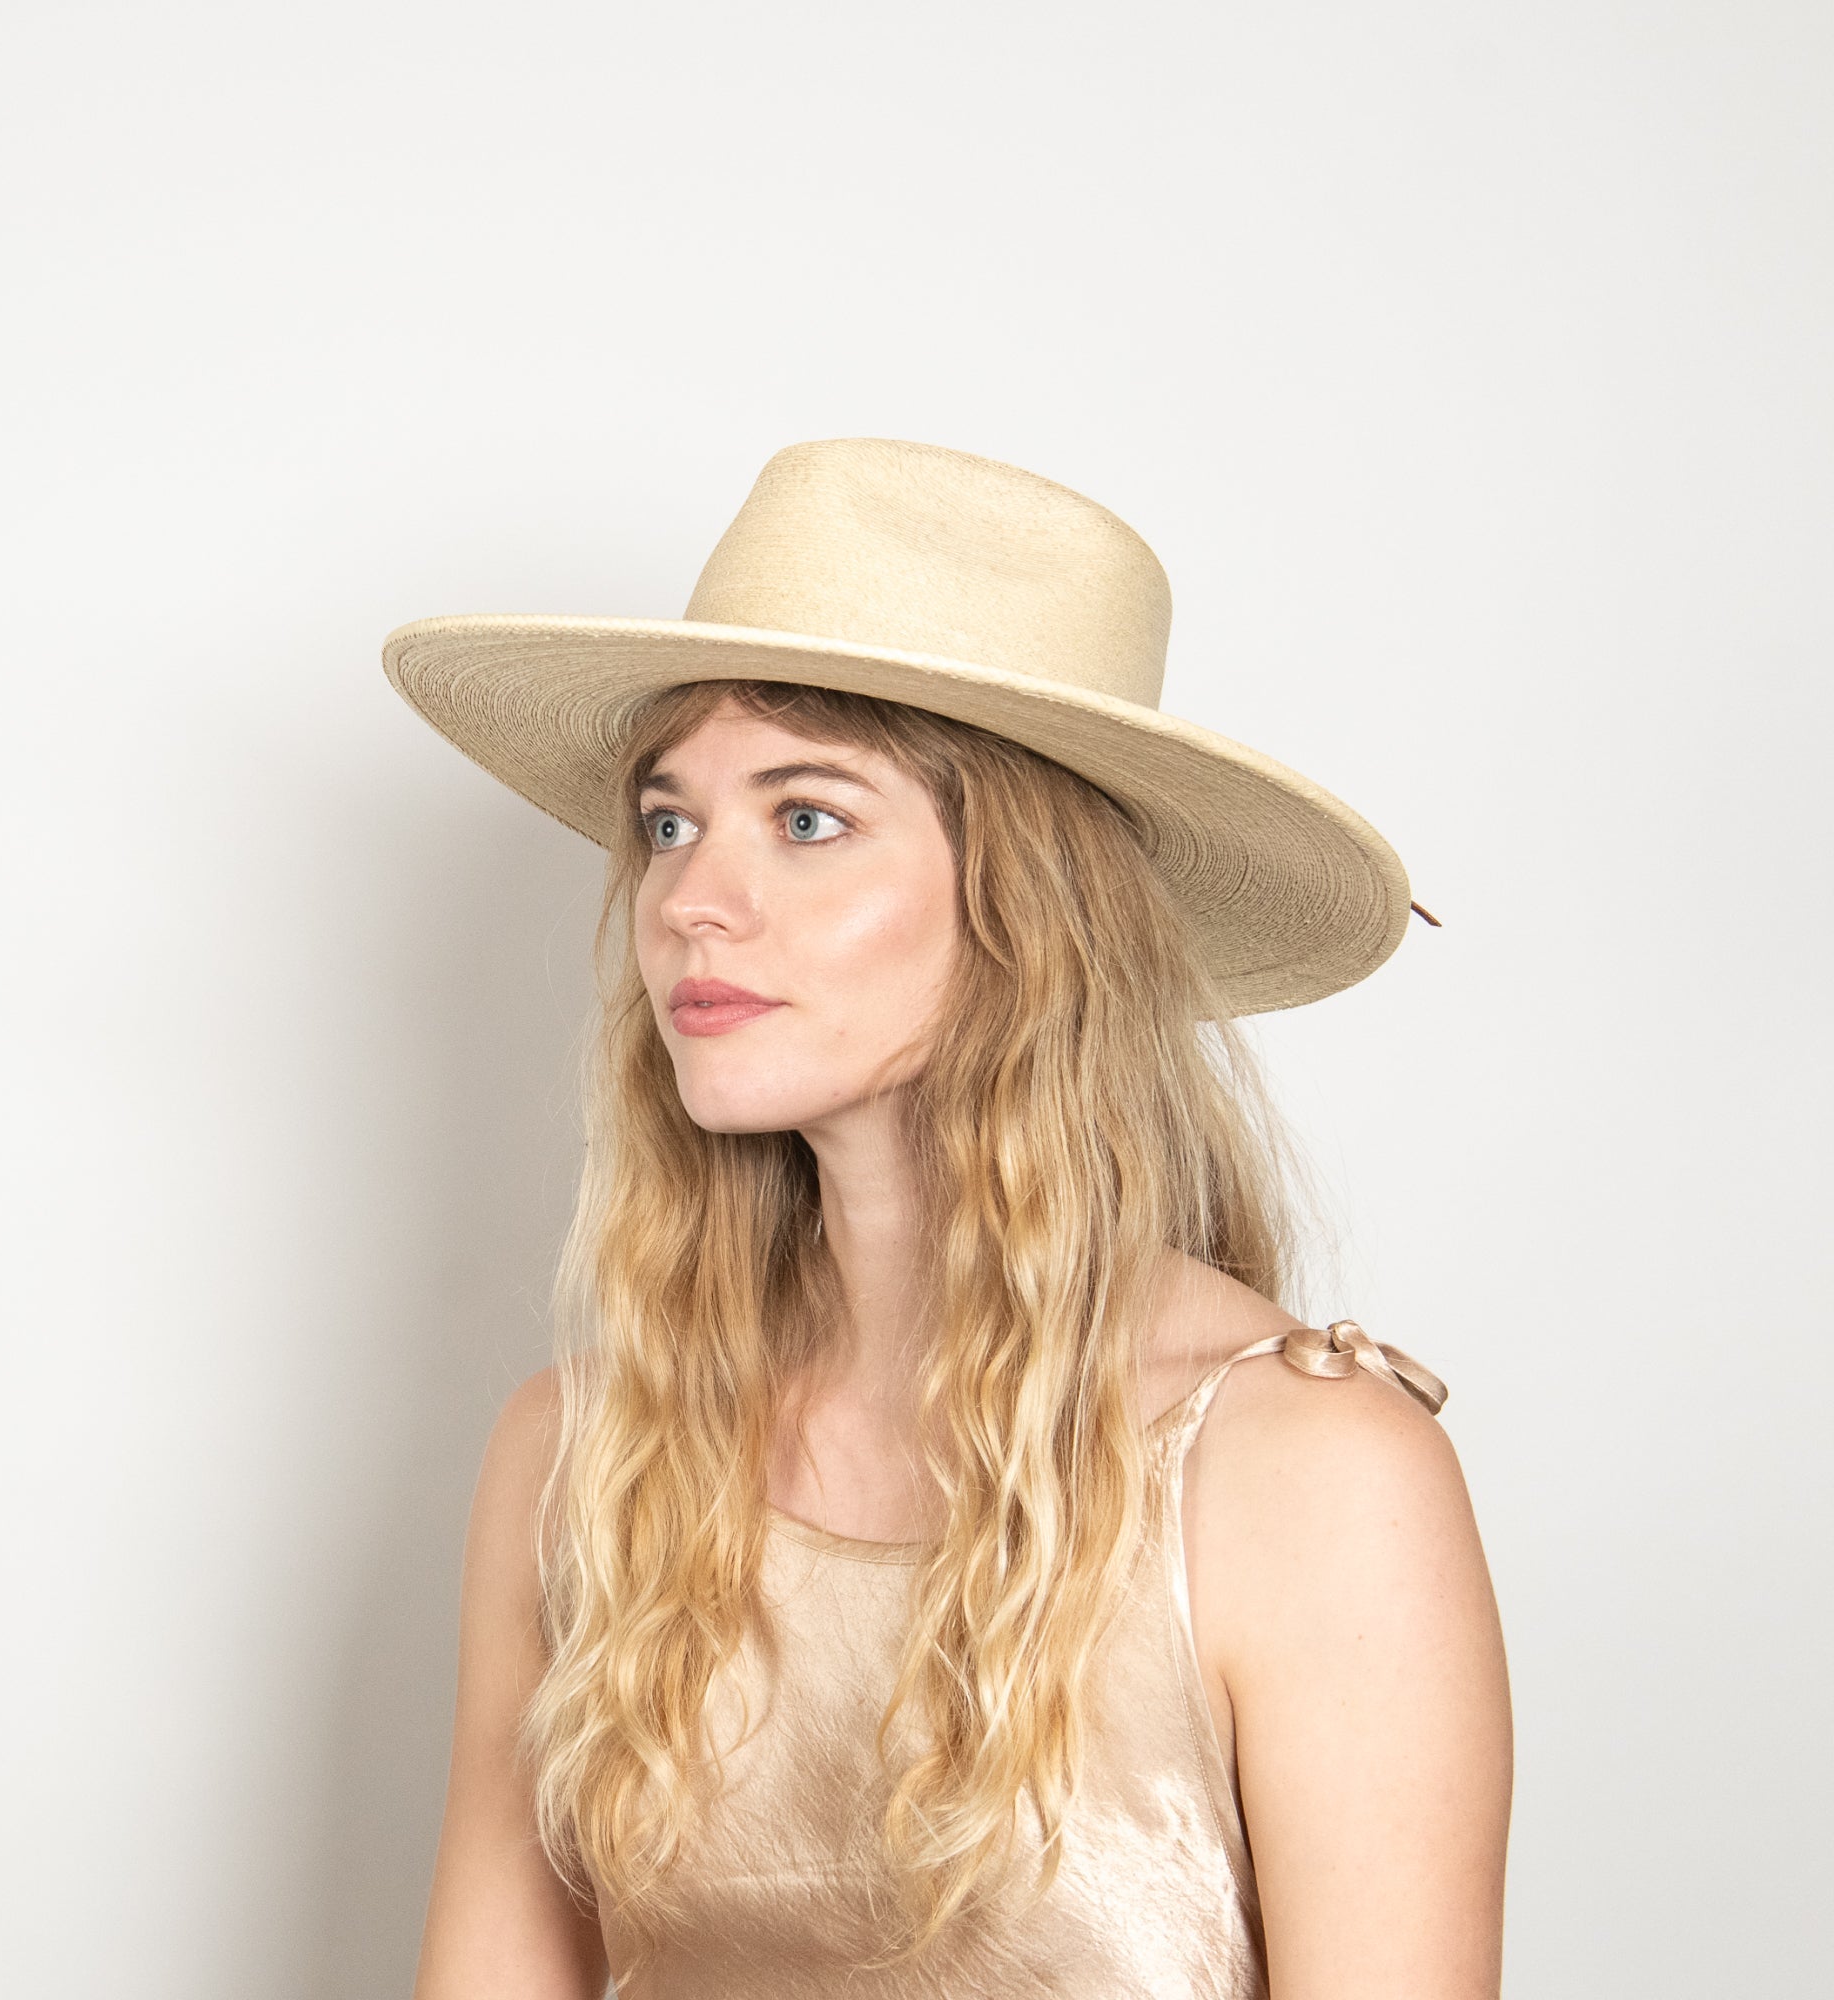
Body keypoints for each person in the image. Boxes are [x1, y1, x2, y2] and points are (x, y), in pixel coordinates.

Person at [383, 439, 1512, 1999]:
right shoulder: (585, 1454)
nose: (691, 896)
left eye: (807, 818)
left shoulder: (1312, 1475)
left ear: (1024, 912)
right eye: (667, 821)